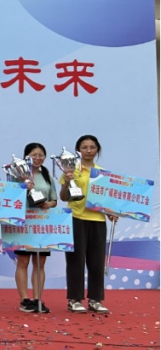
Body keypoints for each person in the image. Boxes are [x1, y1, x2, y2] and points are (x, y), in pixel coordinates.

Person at [59, 134, 109, 314]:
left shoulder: (102, 173)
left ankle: (95, 299)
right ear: (78, 150)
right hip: (76, 218)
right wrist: (67, 182)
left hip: (97, 220)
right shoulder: (71, 169)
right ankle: (74, 299)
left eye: (92, 147)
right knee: (75, 261)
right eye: (84, 147)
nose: (88, 150)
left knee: (96, 262)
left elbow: (106, 200)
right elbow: (63, 197)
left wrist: (112, 213)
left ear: (97, 150)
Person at [15, 142, 58, 314]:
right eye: (34, 155)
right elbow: (10, 196)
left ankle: (38, 299)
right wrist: (23, 188)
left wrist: (48, 204)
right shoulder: (17, 175)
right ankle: (24, 299)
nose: (38, 158)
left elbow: (54, 200)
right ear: (26, 157)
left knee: (40, 263)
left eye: (41, 155)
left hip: (42, 223)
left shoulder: (47, 176)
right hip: (24, 222)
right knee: (23, 261)